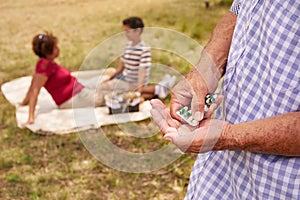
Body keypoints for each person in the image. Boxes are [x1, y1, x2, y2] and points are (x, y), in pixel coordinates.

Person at [150, 0, 300, 199]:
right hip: (220, 173)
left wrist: (229, 135)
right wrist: (205, 71)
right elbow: (240, 8)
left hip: (279, 185)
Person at [101, 16, 176, 101]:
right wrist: (110, 78)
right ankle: (158, 90)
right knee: (114, 89)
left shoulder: (144, 49)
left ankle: (157, 89)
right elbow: (122, 67)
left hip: (135, 82)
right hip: (126, 79)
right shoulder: (128, 46)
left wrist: (139, 88)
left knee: (116, 93)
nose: (125, 34)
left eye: (128, 31)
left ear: (138, 31)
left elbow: (142, 71)